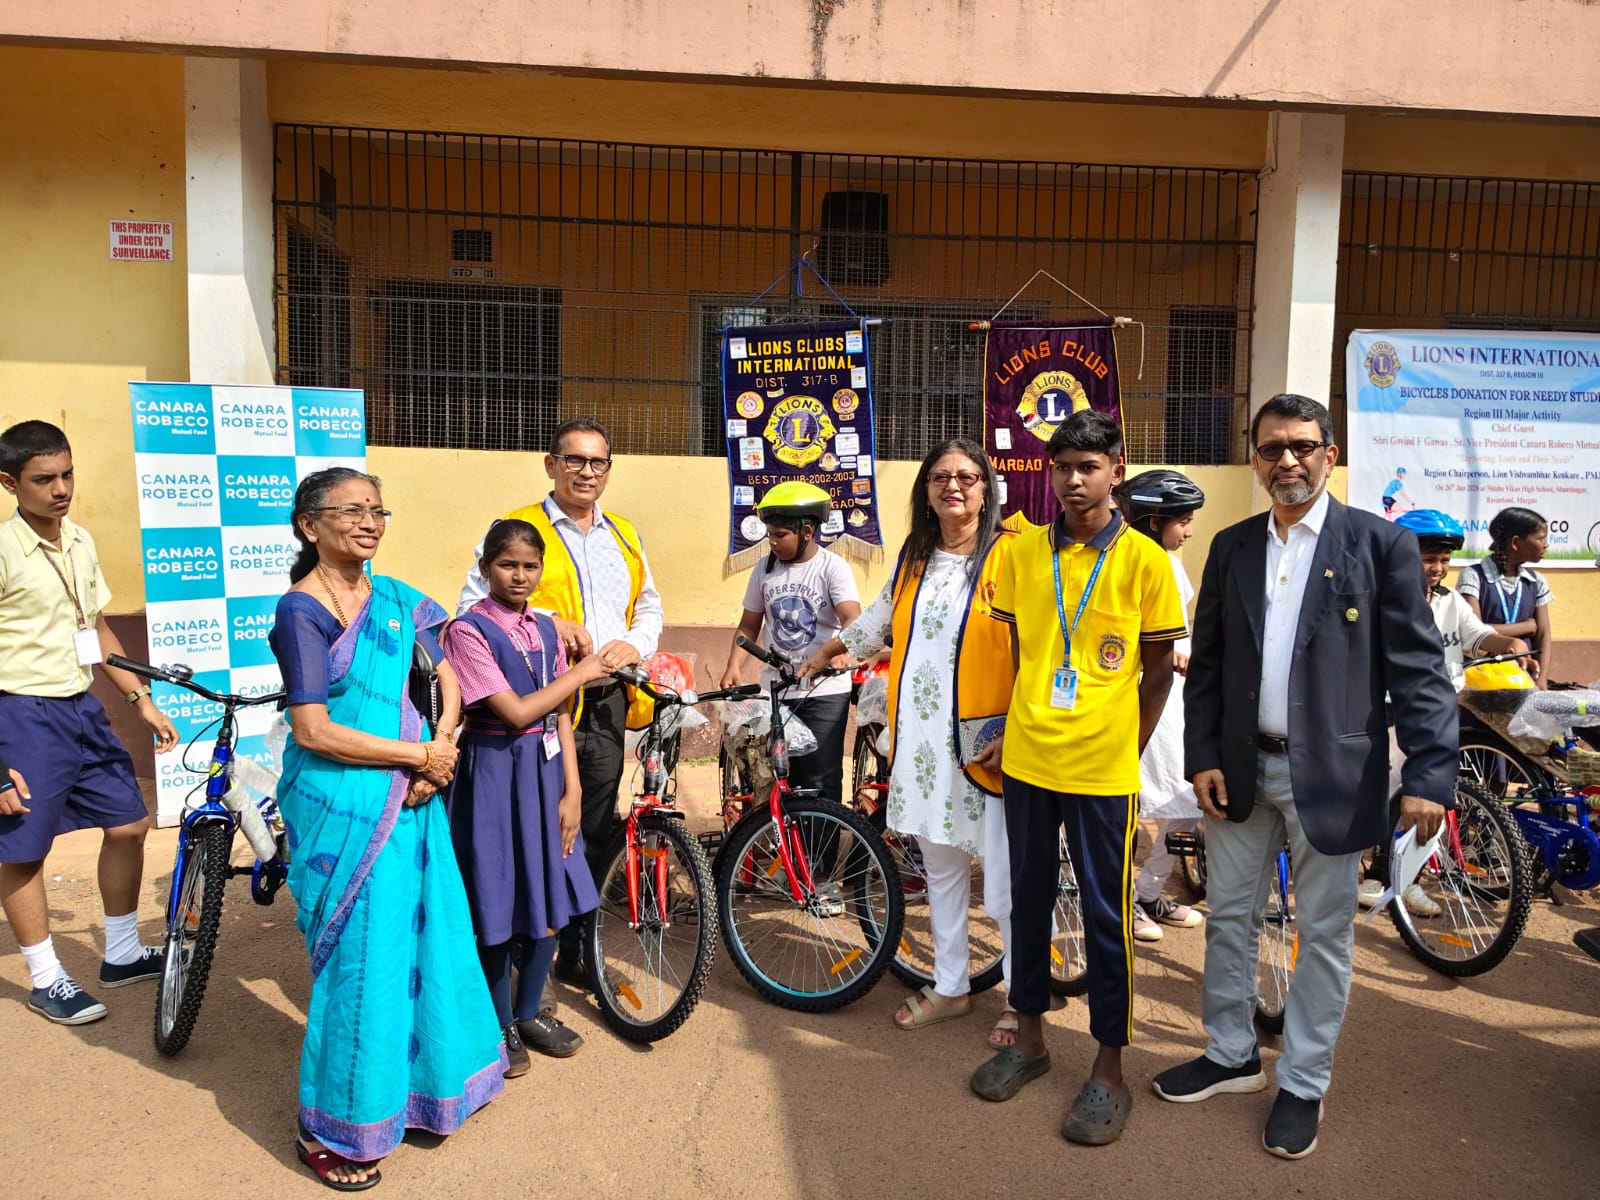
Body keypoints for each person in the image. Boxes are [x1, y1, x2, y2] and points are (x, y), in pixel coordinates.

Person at [1154, 394, 1457, 1161]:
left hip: (1337, 775)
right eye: (1270, 448)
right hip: (1241, 770)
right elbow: (1210, 666)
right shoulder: (1230, 547)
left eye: (1301, 446)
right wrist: (1202, 757)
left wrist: (1429, 770)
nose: (1286, 460)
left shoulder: (1379, 545)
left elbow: (1419, 669)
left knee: (1322, 935)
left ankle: (1303, 1082)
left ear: (1329, 451)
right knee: (1229, 919)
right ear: (1254, 459)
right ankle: (1230, 1054)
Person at [272, 467, 504, 1189]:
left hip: (413, 794)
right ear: (311, 525)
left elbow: (448, 670)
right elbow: (313, 729)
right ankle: (335, 1129)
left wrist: (442, 749)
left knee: (427, 940)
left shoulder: (397, 601)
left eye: (378, 510)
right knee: (362, 965)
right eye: (353, 511)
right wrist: (419, 756)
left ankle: (418, 1095)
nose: (370, 523)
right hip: (344, 805)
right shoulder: (300, 611)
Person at [968, 411, 1185, 1148]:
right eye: (1061, 466)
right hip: (1029, 762)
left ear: (1115, 470)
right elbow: (1030, 646)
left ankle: (1108, 1069)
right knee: (1026, 901)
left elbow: (1157, 670)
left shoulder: (1147, 563)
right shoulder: (1022, 554)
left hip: (1102, 771)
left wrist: (1127, 741)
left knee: (1104, 915)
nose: (1073, 479)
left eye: (1088, 466)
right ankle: (1028, 1038)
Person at [801, 438, 1018, 1044]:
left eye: (968, 477)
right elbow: (880, 620)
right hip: (924, 746)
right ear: (927, 491)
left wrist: (1018, 732)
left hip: (990, 745)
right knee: (942, 871)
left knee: (1003, 883)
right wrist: (829, 651)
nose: (955, 486)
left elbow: (1039, 647)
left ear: (986, 488)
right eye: (941, 477)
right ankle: (951, 986)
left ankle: (1020, 1003)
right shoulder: (916, 556)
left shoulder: (1013, 556)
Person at [458, 418, 663, 985]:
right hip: (527, 714)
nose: (586, 472)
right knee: (532, 828)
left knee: (591, 825)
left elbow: (650, 607)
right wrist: (553, 621)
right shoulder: (517, 529)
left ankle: (576, 947)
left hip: (603, 701)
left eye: (598, 462)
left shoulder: (623, 533)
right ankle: (521, 954)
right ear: (551, 464)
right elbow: (472, 604)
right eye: (574, 460)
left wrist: (634, 643)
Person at [0, 420, 179, 1027]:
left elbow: (96, 630)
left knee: (130, 823)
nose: (60, 489)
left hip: (82, 707)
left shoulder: (78, 540)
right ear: (9, 483)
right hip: (21, 713)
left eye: (67, 474)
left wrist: (141, 701)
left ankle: (123, 951)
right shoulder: (2, 551)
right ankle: (47, 978)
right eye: (43, 479)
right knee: (24, 850)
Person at [443, 519, 609, 1077]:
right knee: (498, 899)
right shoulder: (466, 631)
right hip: (493, 775)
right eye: (507, 565)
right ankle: (500, 1022)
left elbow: (560, 713)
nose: (520, 576)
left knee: (552, 890)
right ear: (487, 566)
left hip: (546, 774)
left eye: (530, 566)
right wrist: (583, 671)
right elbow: (513, 711)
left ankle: (529, 1007)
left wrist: (574, 788)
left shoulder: (544, 626)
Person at [1358, 508, 1531, 911]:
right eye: (1427, 559)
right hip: (1389, 711)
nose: (1437, 568)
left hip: (1438, 712)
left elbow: (1479, 635)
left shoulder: (1451, 601)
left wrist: (1512, 646)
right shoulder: (1381, 601)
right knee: (1389, 792)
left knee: (1430, 793)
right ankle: (1375, 874)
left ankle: (1408, 879)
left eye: (1443, 560)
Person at [721, 482, 861, 821]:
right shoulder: (764, 570)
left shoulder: (832, 568)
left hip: (824, 692)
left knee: (819, 781)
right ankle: (783, 862)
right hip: (777, 691)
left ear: (808, 531)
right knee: (778, 779)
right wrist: (733, 667)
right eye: (769, 535)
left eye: (780, 535)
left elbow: (853, 621)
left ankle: (819, 866)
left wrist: (841, 651)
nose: (772, 542)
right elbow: (749, 625)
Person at [1113, 470, 1207, 943]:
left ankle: (1149, 891)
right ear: (1154, 520)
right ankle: (1122, 900)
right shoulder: (1134, 560)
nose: (1189, 531)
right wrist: (1171, 655)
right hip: (1148, 696)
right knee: (1133, 803)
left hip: (1179, 697)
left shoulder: (1169, 560)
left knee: (1185, 799)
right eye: (1183, 521)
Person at [1456, 506, 1553, 689]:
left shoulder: (1536, 581)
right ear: (1516, 542)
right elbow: (1474, 631)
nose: (1546, 544)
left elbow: (1543, 635)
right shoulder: (1473, 576)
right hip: (1483, 680)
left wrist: (1542, 680)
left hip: (1525, 677)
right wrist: (1526, 626)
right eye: (1540, 538)